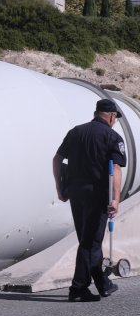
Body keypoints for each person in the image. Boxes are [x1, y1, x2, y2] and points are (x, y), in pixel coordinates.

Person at [52, 98, 126, 302]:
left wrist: (60, 188)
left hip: (76, 193)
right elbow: (116, 170)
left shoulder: (76, 132)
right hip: (97, 195)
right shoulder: (112, 136)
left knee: (89, 240)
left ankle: (103, 284)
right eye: (115, 118)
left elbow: (57, 159)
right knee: (90, 242)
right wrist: (116, 199)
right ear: (111, 116)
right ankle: (78, 289)